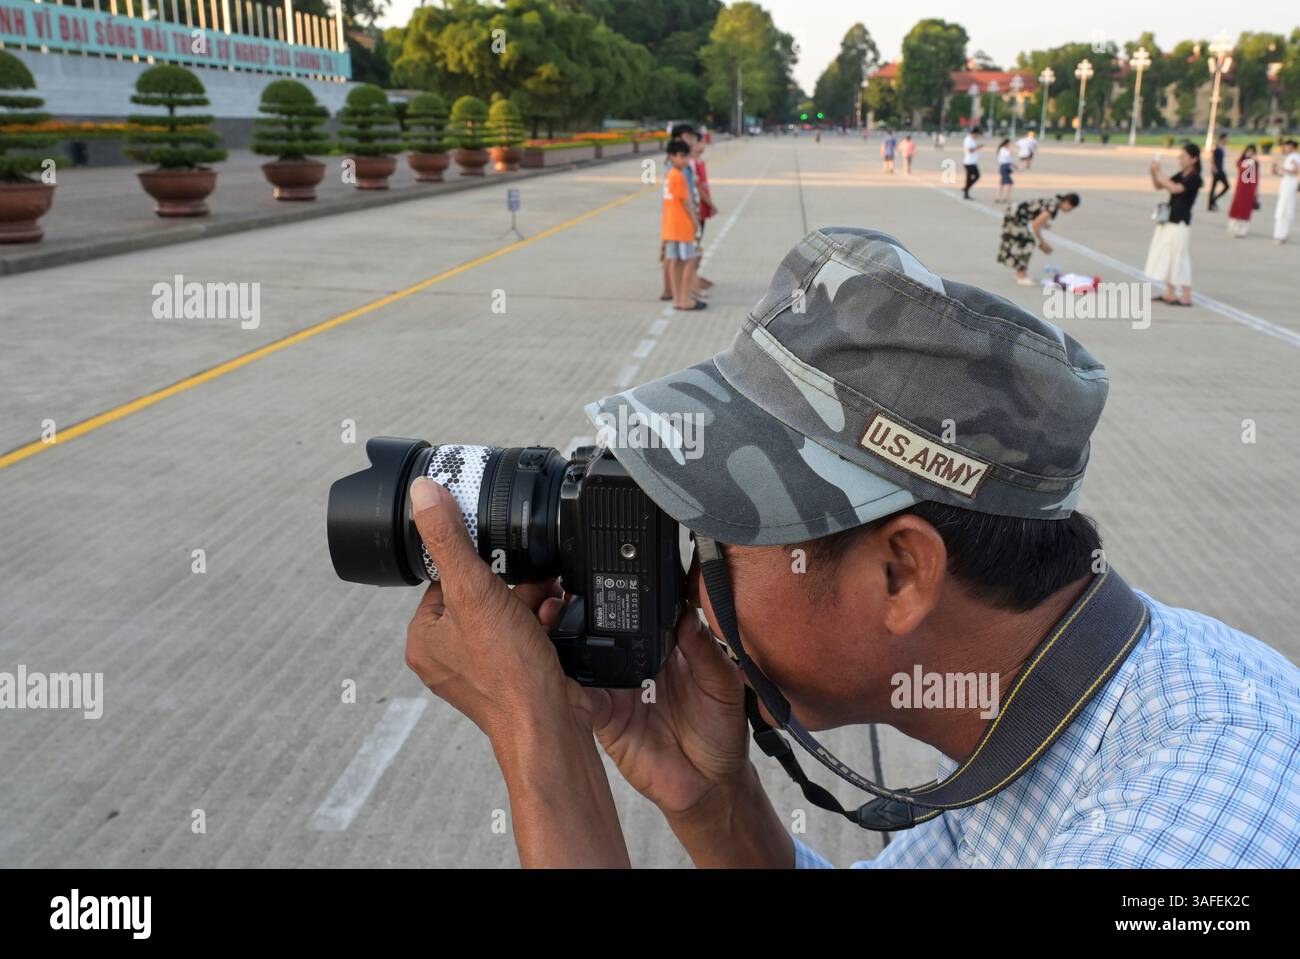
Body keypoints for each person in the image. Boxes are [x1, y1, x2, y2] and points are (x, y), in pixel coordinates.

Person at [401, 227, 1300, 868]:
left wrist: (537, 740)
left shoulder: (1206, 821)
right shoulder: (1029, 728)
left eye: (719, 539)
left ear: (900, 573)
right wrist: (710, 798)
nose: (692, 597)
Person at [1145, 143, 1202, 307]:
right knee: (1169, 256)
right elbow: (1160, 185)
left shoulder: (1195, 178)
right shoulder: (1182, 174)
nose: (1180, 159)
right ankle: (1169, 293)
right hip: (1170, 219)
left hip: (1181, 222)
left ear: (1194, 159)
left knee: (1180, 257)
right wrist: (1153, 172)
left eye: (1183, 156)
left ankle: (1185, 295)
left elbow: (1175, 189)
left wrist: (1159, 171)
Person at [660, 138, 703, 311]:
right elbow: (686, 203)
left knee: (674, 261)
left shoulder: (669, 174)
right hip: (682, 227)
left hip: (670, 226)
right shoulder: (678, 176)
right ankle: (684, 298)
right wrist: (694, 222)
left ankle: (678, 298)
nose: (684, 160)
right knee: (690, 261)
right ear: (671, 156)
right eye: (681, 156)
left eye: (686, 157)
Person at [997, 192, 1080, 283]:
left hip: (1015, 214)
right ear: (1067, 203)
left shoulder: (1054, 202)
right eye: (1071, 208)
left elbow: (1037, 212)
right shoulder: (1053, 208)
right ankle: (1021, 275)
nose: (1069, 210)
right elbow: (1035, 225)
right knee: (1027, 243)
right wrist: (1042, 243)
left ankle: (1020, 273)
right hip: (1016, 218)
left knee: (1023, 242)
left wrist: (1044, 224)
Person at [1227, 144, 1259, 238]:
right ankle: (1234, 227)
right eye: (1248, 151)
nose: (1250, 153)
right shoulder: (1243, 161)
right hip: (1240, 189)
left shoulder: (1254, 163)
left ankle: (1242, 230)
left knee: (1245, 210)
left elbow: (1253, 179)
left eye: (1252, 152)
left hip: (1250, 190)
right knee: (1237, 207)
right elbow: (1243, 170)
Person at [1272, 139, 1299, 245]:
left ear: (1292, 147)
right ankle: (1282, 233)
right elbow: (1287, 172)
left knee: (1285, 208)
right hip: (1286, 182)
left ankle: (1282, 235)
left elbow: (1296, 171)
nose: (1285, 148)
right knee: (1284, 207)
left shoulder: (1294, 157)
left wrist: (1283, 169)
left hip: (1290, 184)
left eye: (1287, 146)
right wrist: (1278, 171)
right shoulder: (1290, 157)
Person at [1207, 133, 1230, 211]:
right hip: (1217, 171)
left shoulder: (1222, 147)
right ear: (1222, 139)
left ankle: (1211, 202)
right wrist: (1214, 168)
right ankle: (1212, 202)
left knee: (1215, 187)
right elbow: (1212, 158)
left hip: (1220, 170)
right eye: (1226, 138)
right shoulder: (1217, 147)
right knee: (1225, 186)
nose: (1227, 140)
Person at [961, 126, 981, 199]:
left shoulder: (972, 139)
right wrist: (978, 147)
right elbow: (970, 150)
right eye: (977, 134)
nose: (978, 136)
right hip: (969, 162)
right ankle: (966, 189)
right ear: (974, 133)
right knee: (976, 176)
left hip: (972, 162)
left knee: (969, 178)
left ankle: (966, 191)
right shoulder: (968, 140)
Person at [994, 138, 1016, 204]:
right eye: (1009, 143)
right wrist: (1010, 150)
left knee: (1002, 183)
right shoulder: (1003, 149)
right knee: (1010, 183)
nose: (1010, 144)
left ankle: (999, 197)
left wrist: (1014, 165)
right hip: (1004, 167)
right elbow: (1006, 157)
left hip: (1006, 166)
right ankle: (1006, 198)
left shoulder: (1004, 149)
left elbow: (1009, 160)